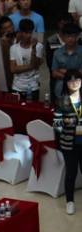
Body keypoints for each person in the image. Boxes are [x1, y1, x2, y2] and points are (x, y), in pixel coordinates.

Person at [54, 70, 82, 215]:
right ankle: (69, 202)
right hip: (69, 143)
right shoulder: (61, 101)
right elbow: (56, 125)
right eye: (71, 81)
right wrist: (67, 122)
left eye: (77, 80)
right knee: (71, 173)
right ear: (66, 83)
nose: (74, 83)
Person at [9, 19, 44, 100]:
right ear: (20, 32)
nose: (28, 35)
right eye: (26, 32)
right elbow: (13, 69)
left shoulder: (38, 46)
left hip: (33, 87)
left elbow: (35, 64)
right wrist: (31, 66)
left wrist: (34, 49)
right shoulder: (13, 48)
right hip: (17, 86)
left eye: (30, 32)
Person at [51, 23, 82, 100]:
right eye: (68, 36)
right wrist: (74, 74)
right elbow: (54, 73)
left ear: (77, 36)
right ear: (63, 37)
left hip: (79, 90)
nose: (70, 39)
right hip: (61, 90)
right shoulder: (57, 53)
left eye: (73, 36)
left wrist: (65, 71)